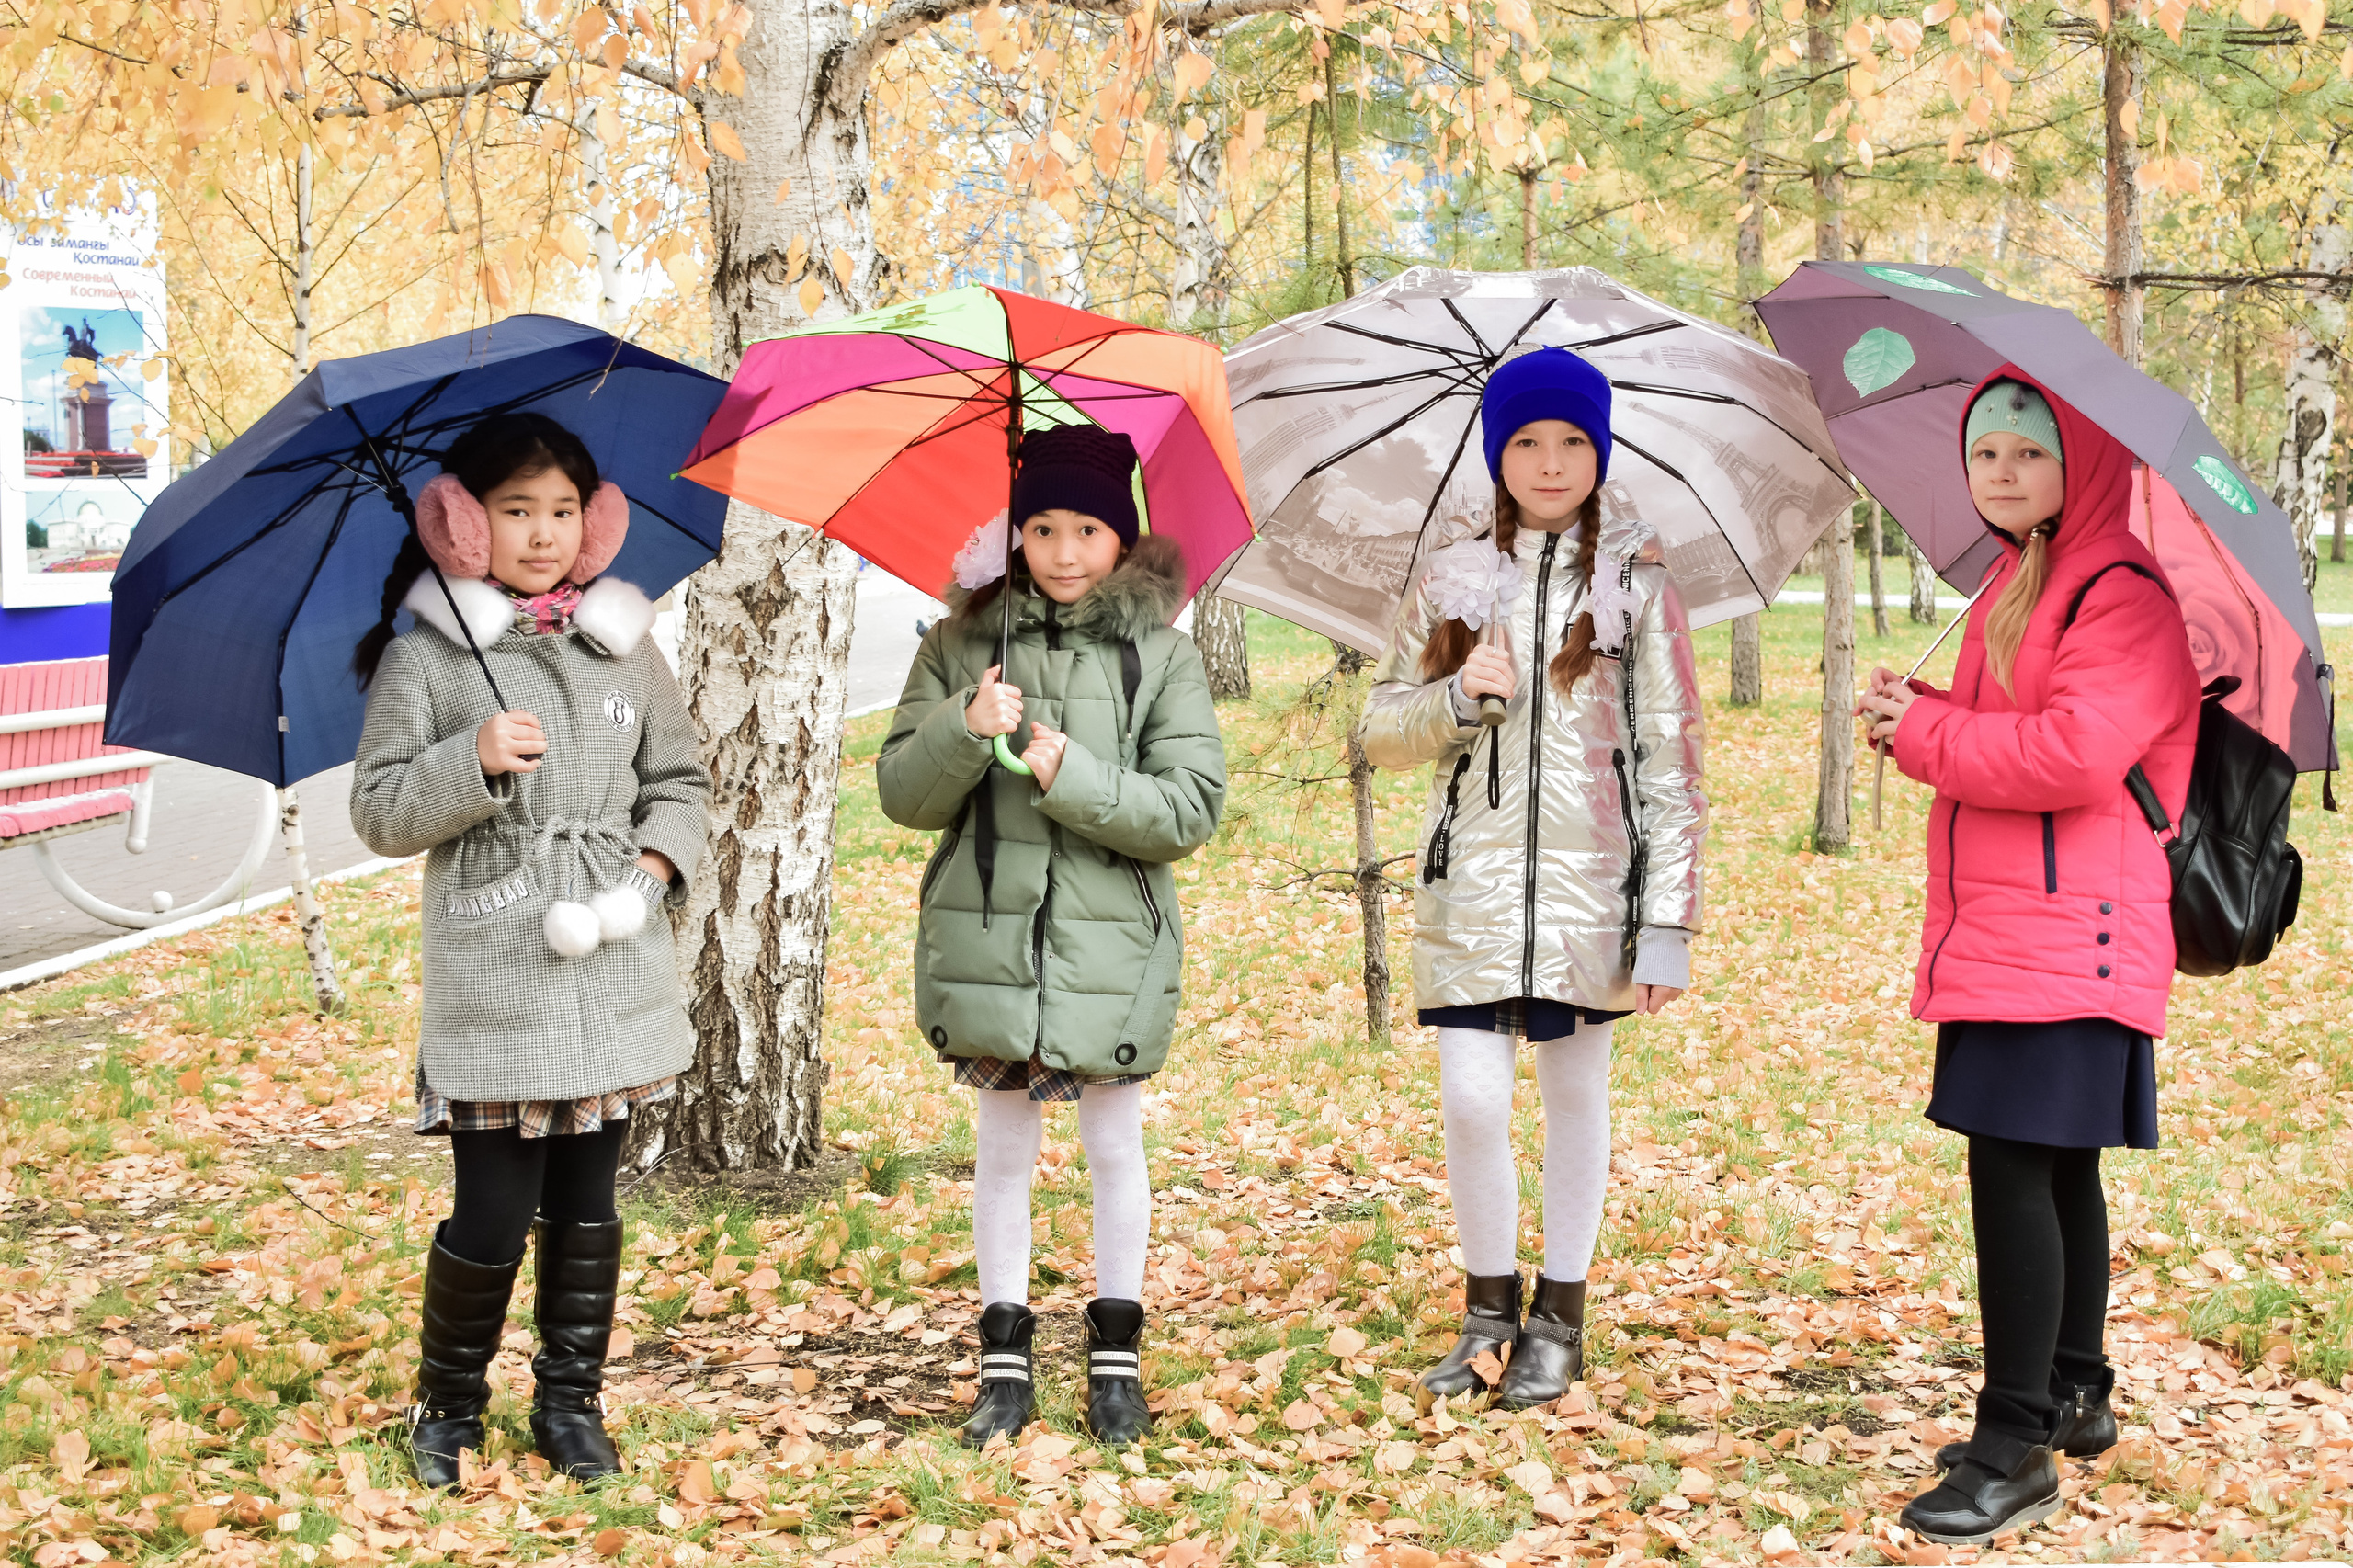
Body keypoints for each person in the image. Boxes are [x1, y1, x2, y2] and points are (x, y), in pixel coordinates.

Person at [1859, 371, 2199, 1546]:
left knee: (2012, 1168)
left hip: (2072, 929)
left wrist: (1923, 732)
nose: (1999, 473)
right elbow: (2008, 719)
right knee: (2054, 1167)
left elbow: (2071, 755)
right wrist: (1917, 706)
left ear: (2085, 465)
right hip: (2020, 921)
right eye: (1983, 454)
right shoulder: (2022, 581)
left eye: (2027, 453)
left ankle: (2013, 1444)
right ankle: (2073, 1389)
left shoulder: (2121, 595)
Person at [350, 413, 711, 1487]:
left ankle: (571, 1402)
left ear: (593, 522)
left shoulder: (626, 646)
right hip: (499, 963)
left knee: (589, 1201)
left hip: (611, 956)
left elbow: (681, 780)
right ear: (464, 521)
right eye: (517, 511)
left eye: (562, 511)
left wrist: (651, 872)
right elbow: (376, 808)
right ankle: (448, 1405)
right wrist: (473, 759)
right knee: (495, 1202)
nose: (543, 533)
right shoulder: (427, 659)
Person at [1360, 347, 1706, 1410]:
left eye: (1570, 441)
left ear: (1598, 452)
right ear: (1496, 453)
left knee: (1573, 1096)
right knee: (1470, 1098)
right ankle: (1485, 1307)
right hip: (1469, 886)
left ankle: (1559, 1312)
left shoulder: (1640, 583)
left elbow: (1671, 758)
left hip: (1590, 890)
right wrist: (1458, 697)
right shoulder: (1453, 579)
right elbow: (1379, 729)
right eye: (1525, 441)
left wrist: (1668, 923)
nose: (1549, 462)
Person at [876, 423, 1225, 1447]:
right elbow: (902, 792)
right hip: (989, 941)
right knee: (1002, 1150)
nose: (1064, 552)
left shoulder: (1161, 655)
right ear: (1012, 532)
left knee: (1115, 1145)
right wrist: (962, 725)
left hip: (1109, 943)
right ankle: (1004, 1355)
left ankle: (1116, 1352)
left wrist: (1070, 773)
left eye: (1087, 529)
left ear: (1123, 538)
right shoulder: (957, 644)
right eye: (1041, 527)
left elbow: (1188, 807)